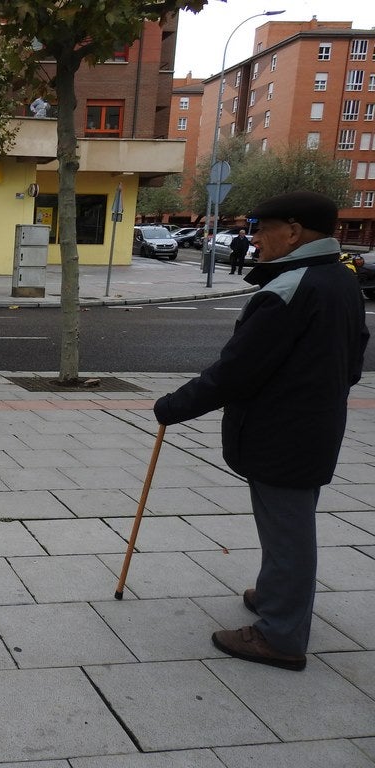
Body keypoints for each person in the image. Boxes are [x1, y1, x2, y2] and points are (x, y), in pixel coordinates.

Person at [153, 191, 368, 671]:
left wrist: (173, 406)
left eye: (260, 228)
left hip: (283, 431)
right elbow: (355, 360)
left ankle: (279, 635)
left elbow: (235, 371)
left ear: (292, 231)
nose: (252, 238)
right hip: (313, 424)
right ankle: (275, 595)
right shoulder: (339, 279)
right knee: (286, 523)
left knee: (288, 531)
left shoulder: (289, 289)